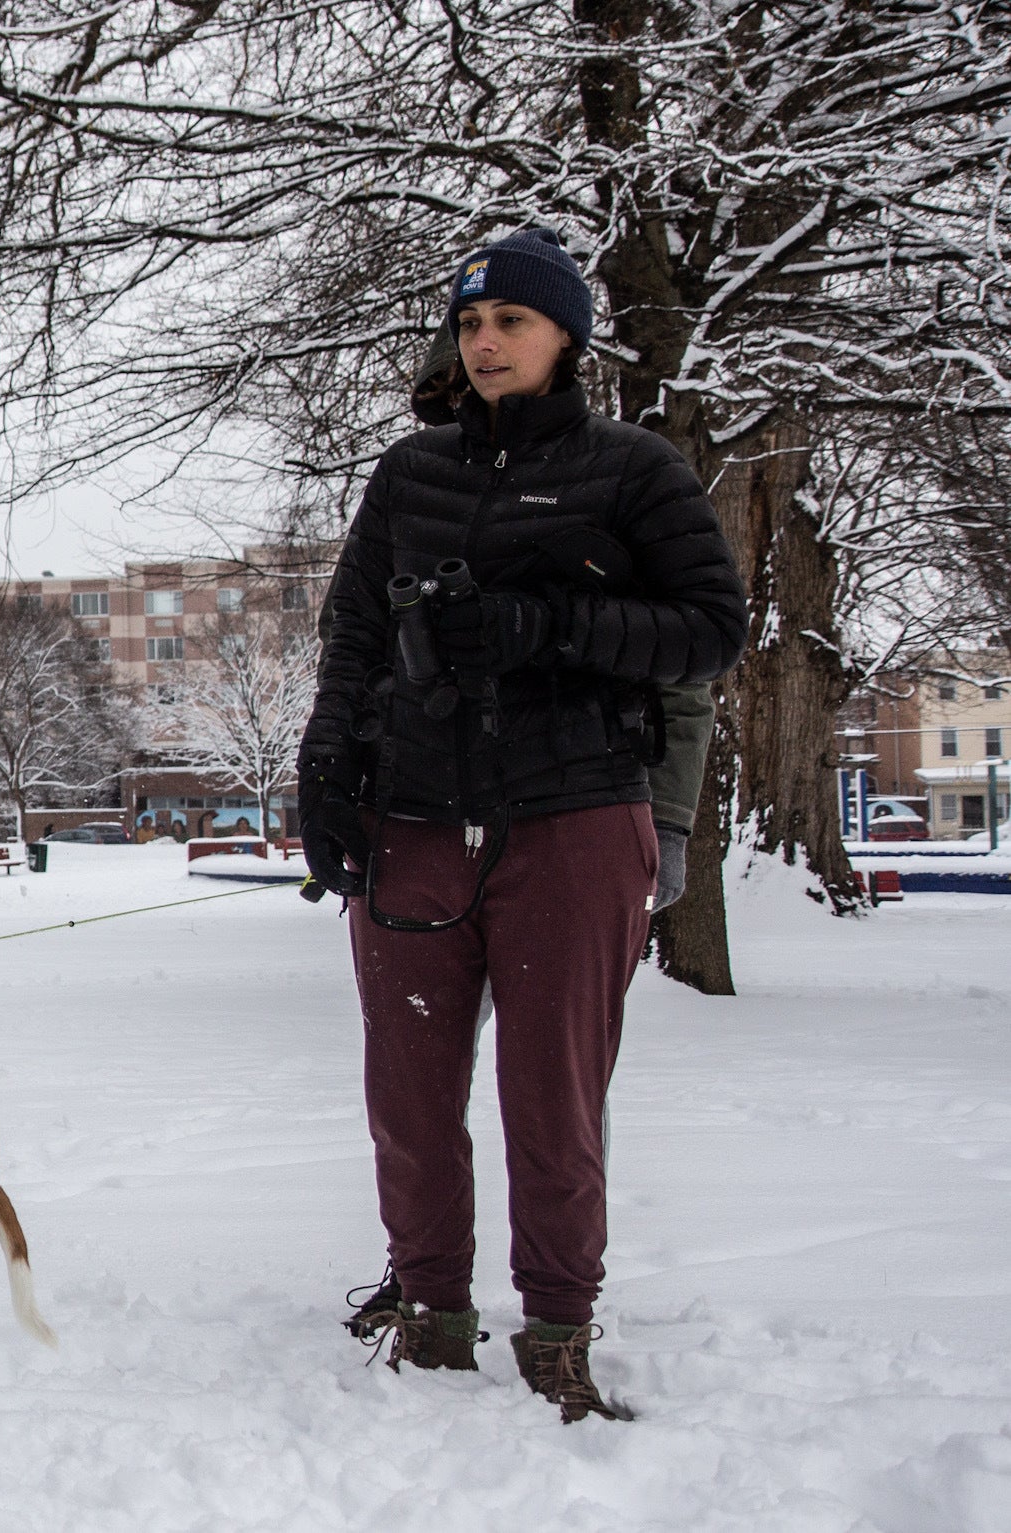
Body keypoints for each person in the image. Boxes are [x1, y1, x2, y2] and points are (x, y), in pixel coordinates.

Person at [296, 228, 749, 1422]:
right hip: (414, 818)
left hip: (572, 818)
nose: (483, 341)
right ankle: (432, 1306)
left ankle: (555, 1329)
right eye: (467, 324)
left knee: (550, 1095)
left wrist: (548, 625)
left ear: (565, 338)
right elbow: (348, 640)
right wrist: (325, 779)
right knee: (406, 1090)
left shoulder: (632, 469)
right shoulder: (408, 475)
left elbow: (708, 630)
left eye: (509, 321)